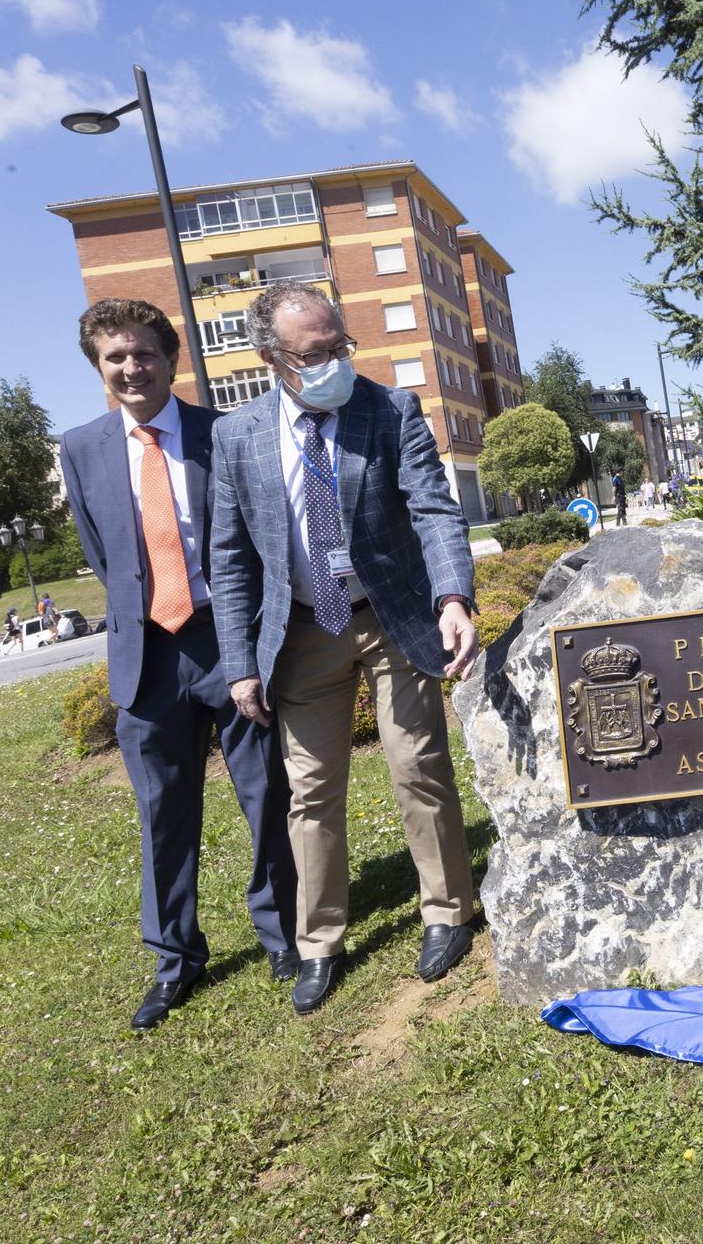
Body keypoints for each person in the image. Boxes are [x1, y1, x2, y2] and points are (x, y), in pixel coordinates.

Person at [209, 282, 481, 1016]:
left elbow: (431, 507)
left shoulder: (389, 411)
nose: (334, 362)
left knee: (418, 765)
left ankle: (447, 911)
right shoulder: (237, 436)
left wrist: (452, 596)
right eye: (315, 353)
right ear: (273, 358)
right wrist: (240, 664)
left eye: (340, 346)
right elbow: (230, 559)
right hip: (301, 629)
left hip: (387, 614)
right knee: (311, 791)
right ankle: (320, 940)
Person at [59, 298, 300, 1032]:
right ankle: (175, 960)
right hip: (145, 657)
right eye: (115, 358)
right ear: (100, 368)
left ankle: (285, 935)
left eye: (144, 354)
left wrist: (247, 639)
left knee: (265, 797)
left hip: (228, 640)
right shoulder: (81, 447)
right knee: (163, 815)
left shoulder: (222, 434)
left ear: (172, 359)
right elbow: (105, 556)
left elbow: (257, 540)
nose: (132, 368)